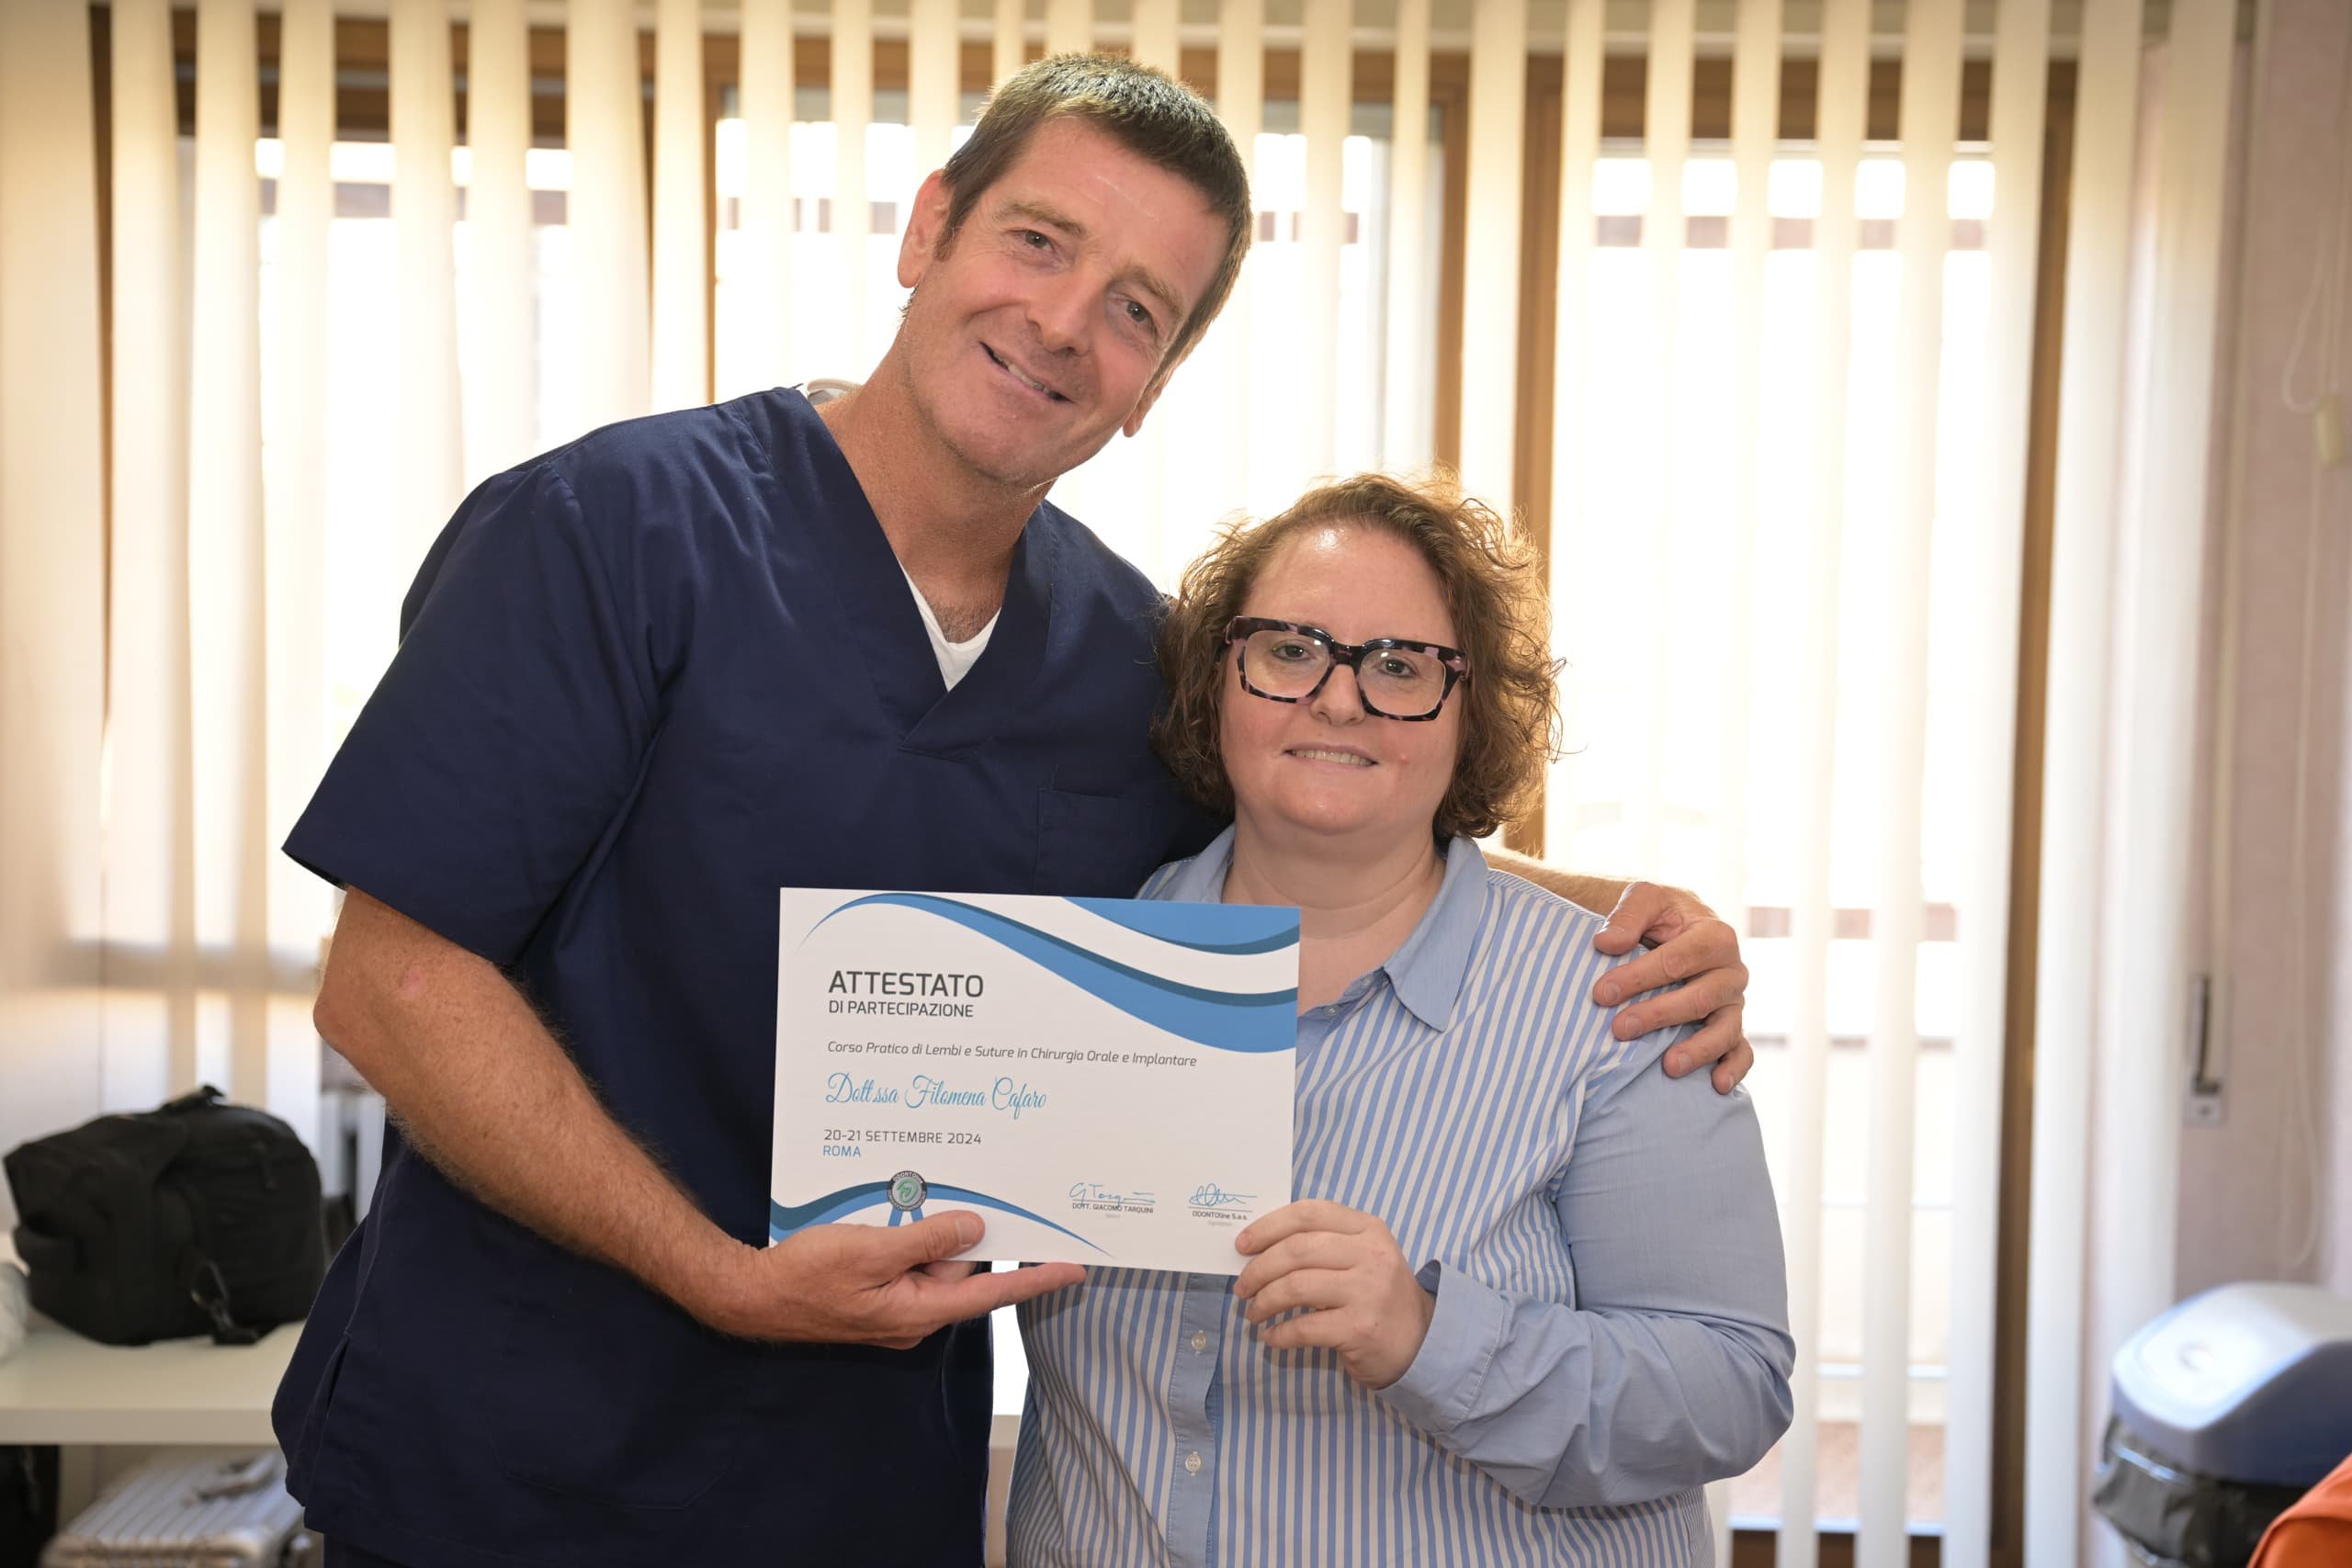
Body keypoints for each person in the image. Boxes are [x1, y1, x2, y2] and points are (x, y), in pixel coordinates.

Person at [277, 55, 1754, 1568]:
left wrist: (1637, 915)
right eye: (1038, 241)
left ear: (1151, 386)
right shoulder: (608, 533)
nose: (1062, 322)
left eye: (1137, 309)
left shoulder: (1126, 658)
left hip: (859, 1489)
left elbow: (1327, 817)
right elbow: (389, 982)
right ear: (928, 228)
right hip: (511, 1468)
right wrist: (724, 1275)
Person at [1010, 474, 1793, 1565]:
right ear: (1216, 681)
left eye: (1399, 666)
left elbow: (1731, 1389)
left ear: (1472, 713)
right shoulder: (1072, 972)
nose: (1337, 701)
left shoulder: (1619, 1005)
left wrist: (1431, 1339)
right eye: (1290, 649)